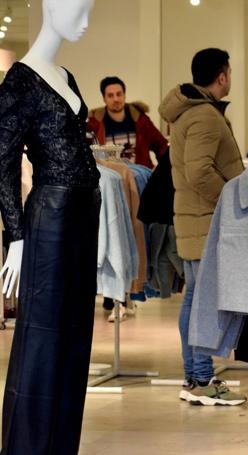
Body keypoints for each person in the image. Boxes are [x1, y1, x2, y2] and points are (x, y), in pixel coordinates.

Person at [0, 0, 101, 453]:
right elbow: (0, 162)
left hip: (83, 213)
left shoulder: (66, 77)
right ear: (51, 6)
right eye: (78, 9)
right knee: (41, 338)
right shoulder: (20, 81)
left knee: (76, 336)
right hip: (51, 215)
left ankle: (62, 444)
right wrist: (16, 235)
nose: (84, 21)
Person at [159, 47, 246, 406]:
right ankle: (201, 378)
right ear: (222, 75)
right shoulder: (205, 117)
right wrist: (230, 199)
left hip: (196, 219)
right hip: (205, 221)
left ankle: (196, 377)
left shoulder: (190, 114)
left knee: (196, 299)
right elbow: (199, 173)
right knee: (202, 301)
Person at [87, 76, 168, 168]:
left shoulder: (141, 120)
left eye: (119, 94)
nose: (116, 99)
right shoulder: (94, 124)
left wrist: (163, 173)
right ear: (104, 98)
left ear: (124, 95)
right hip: (111, 178)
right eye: (110, 95)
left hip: (140, 177)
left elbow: (162, 146)